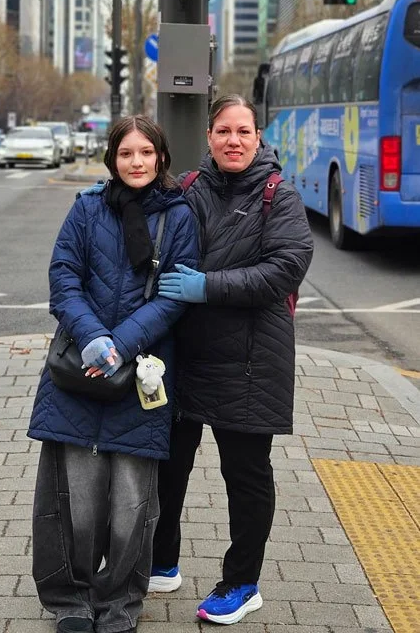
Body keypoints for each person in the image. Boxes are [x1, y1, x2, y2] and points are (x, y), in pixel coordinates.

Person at [28, 115, 198, 633]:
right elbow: (64, 278)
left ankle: (121, 601)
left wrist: (121, 344)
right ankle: (69, 600)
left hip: (142, 374)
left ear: (161, 157)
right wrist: (92, 336)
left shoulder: (179, 217)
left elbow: (174, 296)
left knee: (132, 500)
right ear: (112, 159)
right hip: (79, 366)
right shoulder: (85, 209)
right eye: (126, 153)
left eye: (146, 152)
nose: (137, 162)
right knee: (72, 495)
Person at [149, 94, 314, 626]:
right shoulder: (189, 189)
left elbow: (285, 269)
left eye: (244, 131)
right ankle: (160, 563)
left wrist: (208, 287)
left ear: (258, 136)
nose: (234, 141)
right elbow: (148, 230)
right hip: (186, 358)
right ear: (210, 137)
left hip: (250, 363)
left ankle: (243, 582)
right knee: (166, 469)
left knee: (244, 477)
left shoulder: (278, 196)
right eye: (223, 131)